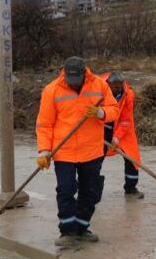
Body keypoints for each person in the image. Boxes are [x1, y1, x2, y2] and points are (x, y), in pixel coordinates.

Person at [36, 56, 120, 247]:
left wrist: (101, 113)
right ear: (64, 73)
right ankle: (67, 231)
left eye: (76, 78)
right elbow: (44, 124)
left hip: (92, 149)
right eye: (69, 78)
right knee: (65, 189)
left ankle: (82, 228)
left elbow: (114, 110)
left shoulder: (99, 85)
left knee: (89, 191)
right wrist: (44, 151)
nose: (73, 82)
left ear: (84, 73)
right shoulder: (51, 90)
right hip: (64, 150)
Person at [100, 71, 144, 199]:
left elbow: (126, 119)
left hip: (122, 126)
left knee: (132, 157)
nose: (118, 90)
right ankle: (89, 190)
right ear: (108, 84)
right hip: (100, 124)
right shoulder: (97, 89)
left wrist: (117, 136)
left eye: (120, 86)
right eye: (115, 87)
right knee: (94, 158)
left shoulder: (128, 94)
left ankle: (131, 189)